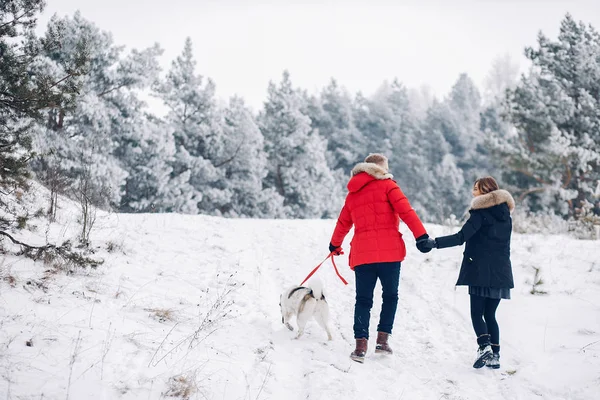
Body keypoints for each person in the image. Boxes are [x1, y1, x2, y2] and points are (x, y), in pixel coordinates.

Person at [328, 153, 433, 363]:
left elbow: (343, 223)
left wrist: (334, 244)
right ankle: (382, 341)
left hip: (362, 254)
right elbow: (407, 212)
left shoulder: (353, 194)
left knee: (363, 300)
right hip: (390, 253)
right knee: (390, 296)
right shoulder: (388, 186)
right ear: (381, 169)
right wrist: (421, 236)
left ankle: (360, 347)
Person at [421, 176, 515, 369]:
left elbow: (460, 237)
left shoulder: (480, 214)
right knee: (490, 315)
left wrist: (434, 243)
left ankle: (484, 347)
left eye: (476, 189)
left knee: (476, 313)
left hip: (481, 270)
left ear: (485, 191)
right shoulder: (506, 216)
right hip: (501, 272)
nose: (473, 192)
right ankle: (495, 355)